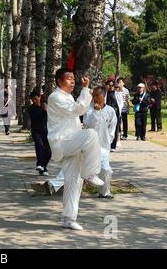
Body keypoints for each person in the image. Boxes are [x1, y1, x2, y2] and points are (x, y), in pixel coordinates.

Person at [46, 68, 103, 231]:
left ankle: (69, 219)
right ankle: (91, 173)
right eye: (69, 79)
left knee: (73, 183)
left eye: (73, 79)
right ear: (59, 81)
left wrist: (84, 90)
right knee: (91, 135)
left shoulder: (68, 96)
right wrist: (85, 90)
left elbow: (74, 115)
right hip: (63, 142)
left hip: (72, 143)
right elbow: (77, 109)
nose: (72, 82)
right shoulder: (55, 97)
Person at [83, 87, 117, 199]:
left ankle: (104, 192)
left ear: (104, 96)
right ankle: (56, 186)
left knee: (106, 169)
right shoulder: (89, 109)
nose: (95, 98)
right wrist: (96, 113)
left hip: (103, 146)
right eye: (93, 96)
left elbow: (113, 127)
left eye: (97, 95)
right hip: (89, 145)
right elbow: (87, 124)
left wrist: (109, 140)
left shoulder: (110, 110)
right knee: (77, 168)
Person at [28, 90, 51, 176]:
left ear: (39, 97)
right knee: (39, 145)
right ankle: (39, 164)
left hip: (45, 131)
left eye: (35, 98)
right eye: (32, 99)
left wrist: (47, 110)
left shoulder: (44, 106)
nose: (34, 100)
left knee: (48, 152)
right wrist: (45, 111)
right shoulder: (31, 108)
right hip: (36, 131)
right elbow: (36, 117)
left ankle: (43, 168)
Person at [105, 79, 122, 152]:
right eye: (109, 85)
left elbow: (120, 104)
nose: (111, 87)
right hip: (106, 114)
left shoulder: (117, 94)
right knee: (106, 129)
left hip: (115, 114)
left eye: (112, 85)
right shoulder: (104, 94)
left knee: (115, 129)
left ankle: (113, 145)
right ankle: (106, 144)